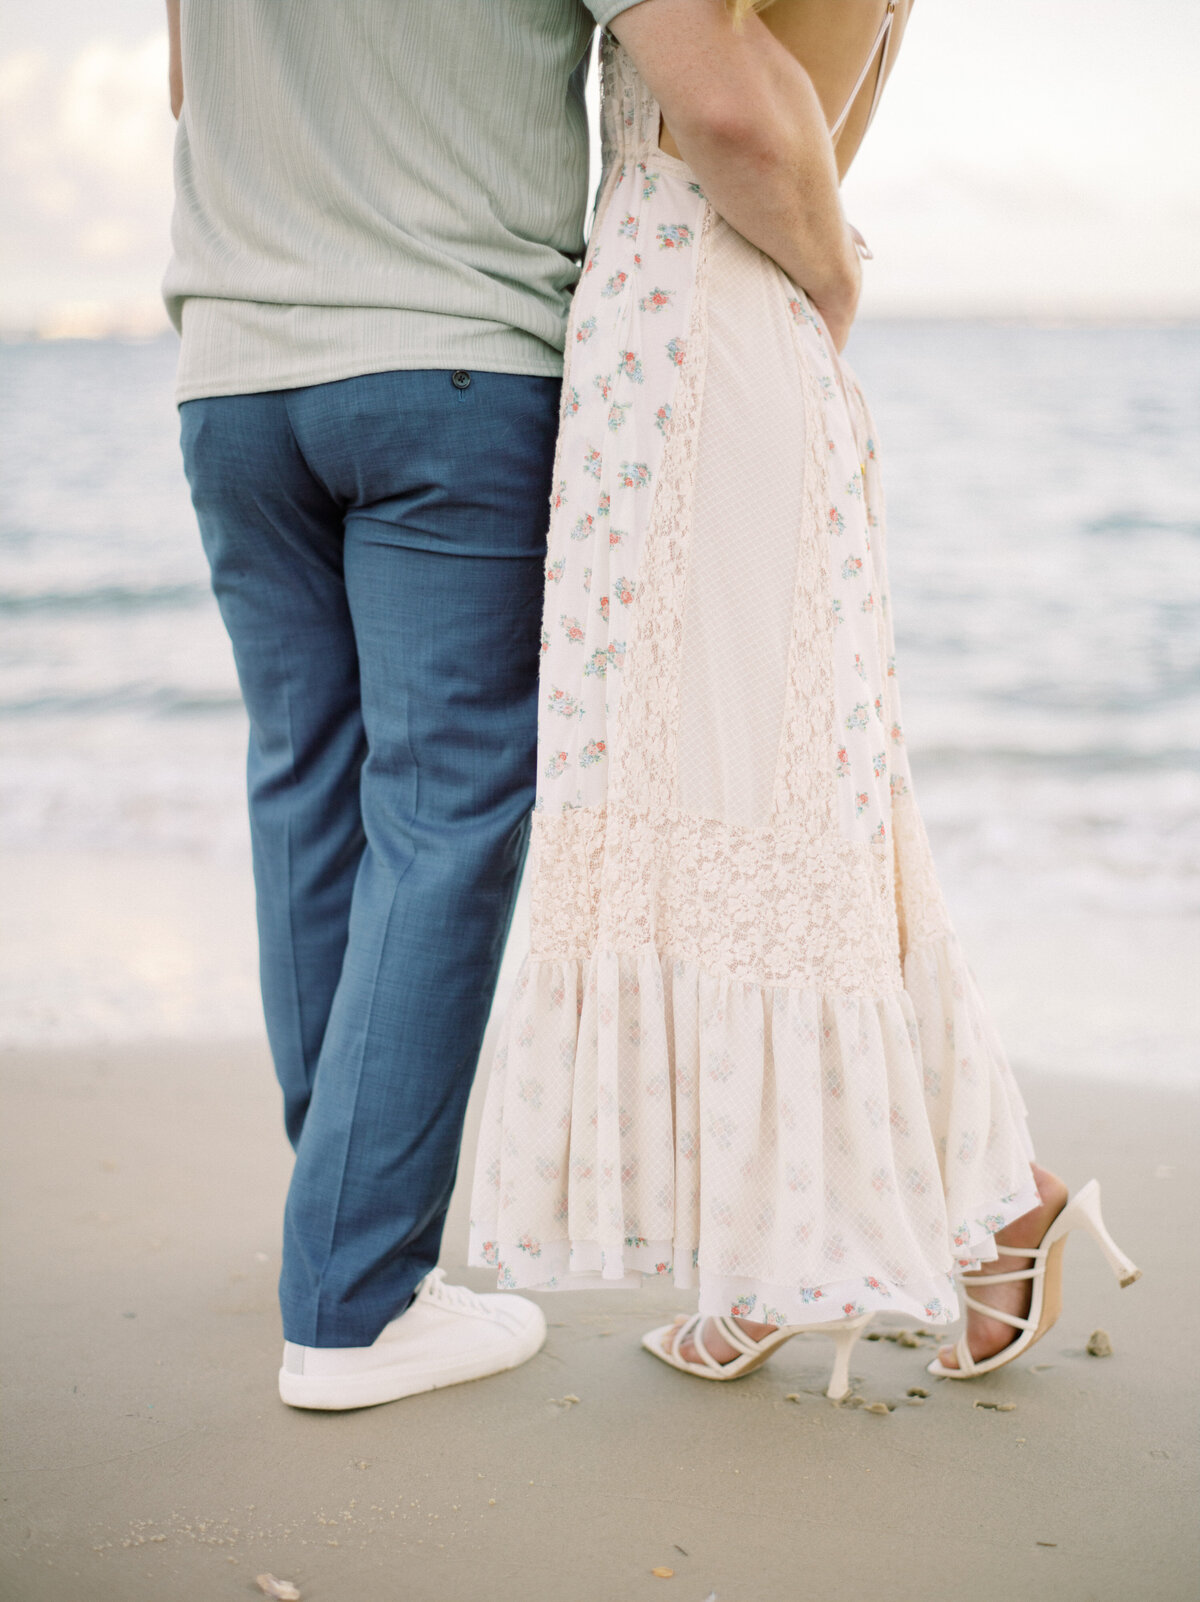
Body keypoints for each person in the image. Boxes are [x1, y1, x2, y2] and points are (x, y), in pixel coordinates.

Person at [163, 0, 928, 1410]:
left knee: (305, 784)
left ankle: (334, 1215)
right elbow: (728, 95)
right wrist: (831, 280)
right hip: (450, 357)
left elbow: (183, 85)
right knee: (444, 815)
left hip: (232, 374)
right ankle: (352, 1306)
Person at [467, 0, 1141, 1398]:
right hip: (695, 341)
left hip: (697, 347)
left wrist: (829, 283)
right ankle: (906, 1221)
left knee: (757, 823)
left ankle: (882, 1231)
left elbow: (740, 120)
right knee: (771, 815)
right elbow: (806, 120)